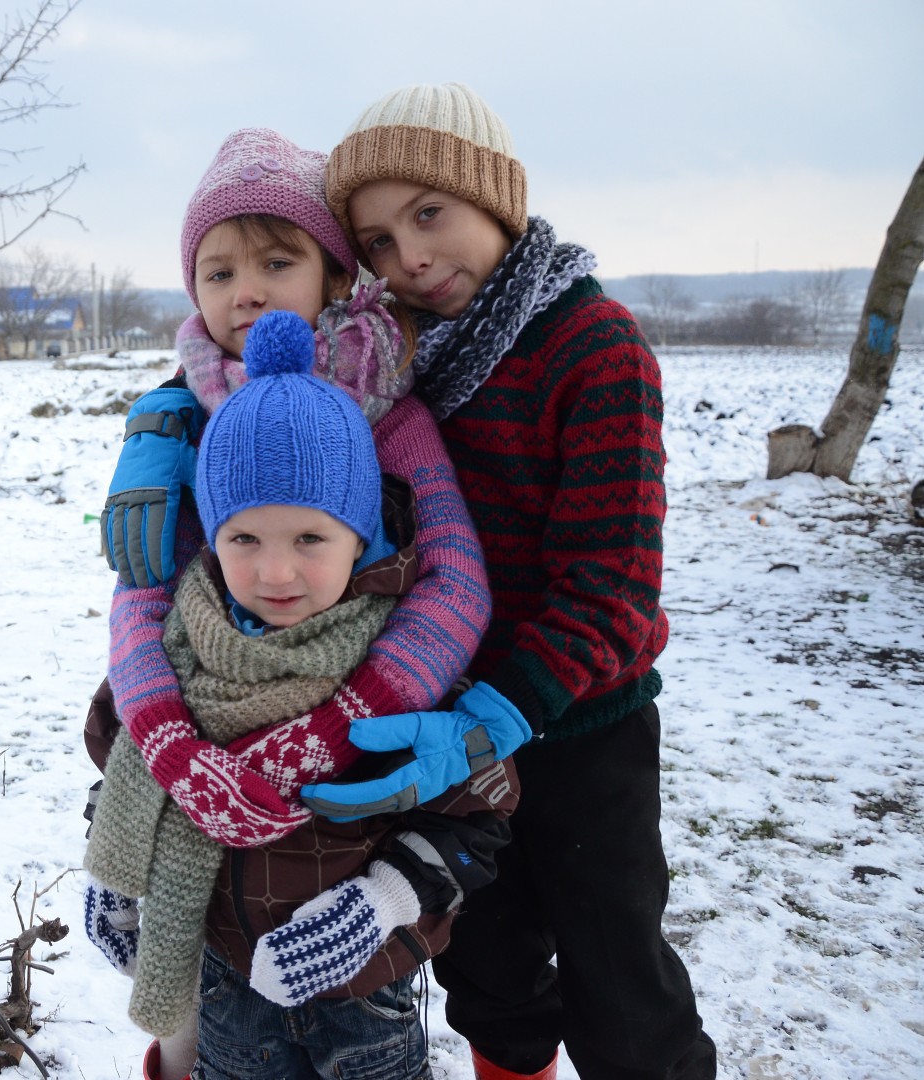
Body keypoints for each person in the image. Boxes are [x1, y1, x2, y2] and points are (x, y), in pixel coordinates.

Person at [81, 128, 528, 1080]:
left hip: (347, 725)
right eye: (217, 269)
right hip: (196, 726)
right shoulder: (184, 411)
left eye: (277, 262)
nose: (244, 290)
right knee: (209, 1023)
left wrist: (347, 719)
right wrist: (160, 738)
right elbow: (140, 600)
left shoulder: (388, 409)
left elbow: (454, 576)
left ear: (332, 276)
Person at [308, 82, 719, 1080]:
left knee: (619, 984)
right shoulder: (388, 364)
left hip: (581, 733)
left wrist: (499, 716)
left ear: (495, 199)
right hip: (440, 730)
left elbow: (613, 593)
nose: (408, 258)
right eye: (375, 240)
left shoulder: (593, 347)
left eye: (429, 214)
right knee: (486, 973)